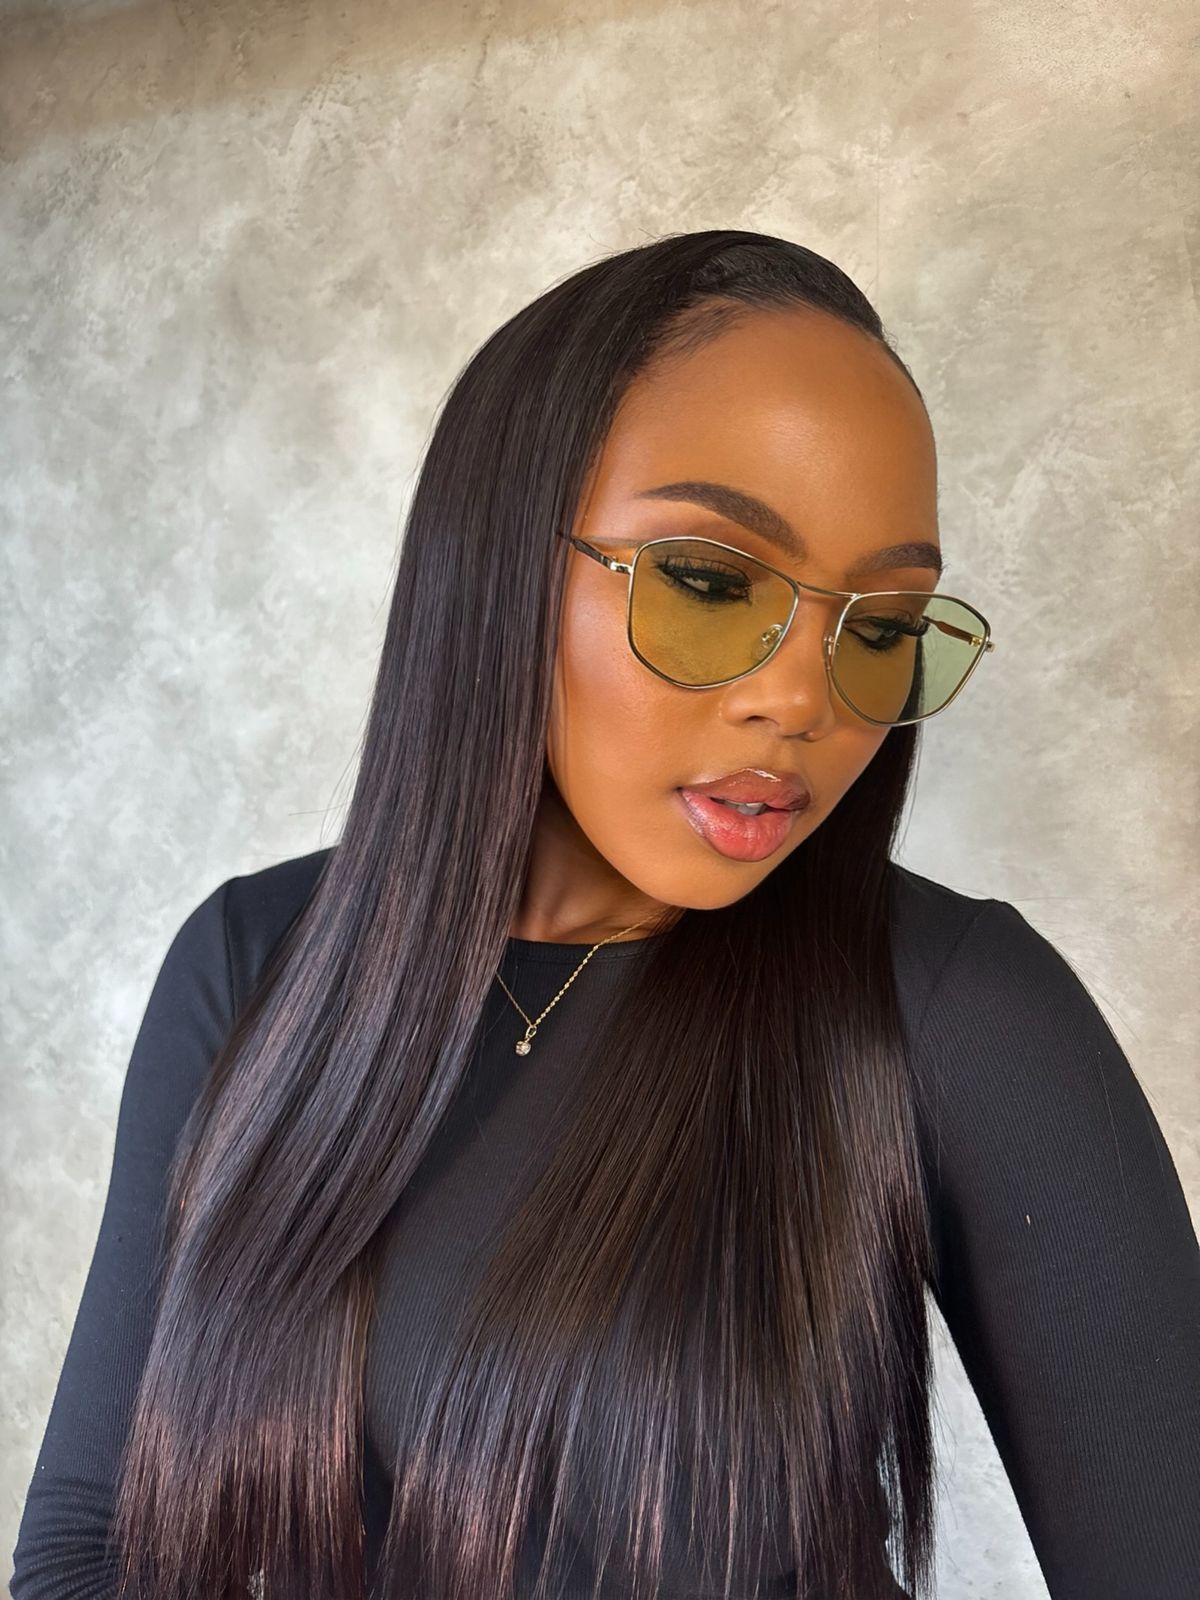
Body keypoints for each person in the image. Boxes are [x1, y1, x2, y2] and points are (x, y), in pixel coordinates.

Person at [11, 230, 1199, 1600]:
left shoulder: (953, 1011)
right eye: (711, 583)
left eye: (880, 627)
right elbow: (87, 1549)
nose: (803, 700)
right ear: (500, 561)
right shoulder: (255, 963)